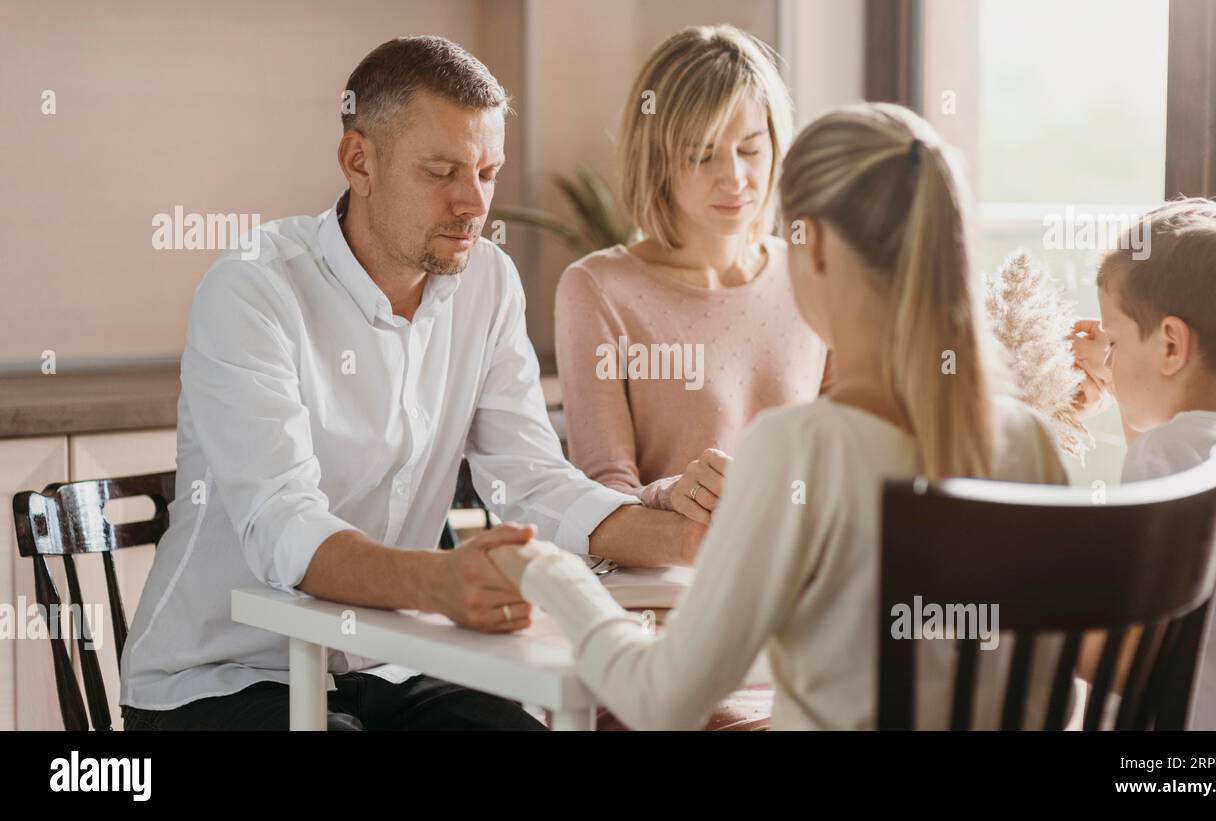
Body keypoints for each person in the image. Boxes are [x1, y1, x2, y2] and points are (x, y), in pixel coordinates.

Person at [119, 36, 701, 731]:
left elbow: (532, 479)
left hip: (397, 661)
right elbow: (284, 523)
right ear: (359, 160)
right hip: (223, 677)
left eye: (488, 172)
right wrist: (440, 584)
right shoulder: (252, 288)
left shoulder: (488, 283)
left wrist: (688, 539)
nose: (472, 202)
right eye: (441, 171)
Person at [486, 103, 1069, 730]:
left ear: (811, 247)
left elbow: (659, 702)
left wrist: (551, 576)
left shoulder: (799, 450)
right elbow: (1057, 695)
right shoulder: (1029, 442)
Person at [555, 25, 830, 526]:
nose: (735, 177)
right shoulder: (599, 288)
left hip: (803, 573)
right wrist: (671, 493)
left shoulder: (811, 270)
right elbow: (602, 491)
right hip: (671, 585)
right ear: (657, 159)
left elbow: (844, 453)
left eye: (750, 149)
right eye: (702, 154)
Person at [1073, 163, 1216, 730]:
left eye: (1115, 339)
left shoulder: (1172, 457)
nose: (1108, 355)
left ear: (1171, 343)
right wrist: (1126, 381)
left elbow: (1126, 663)